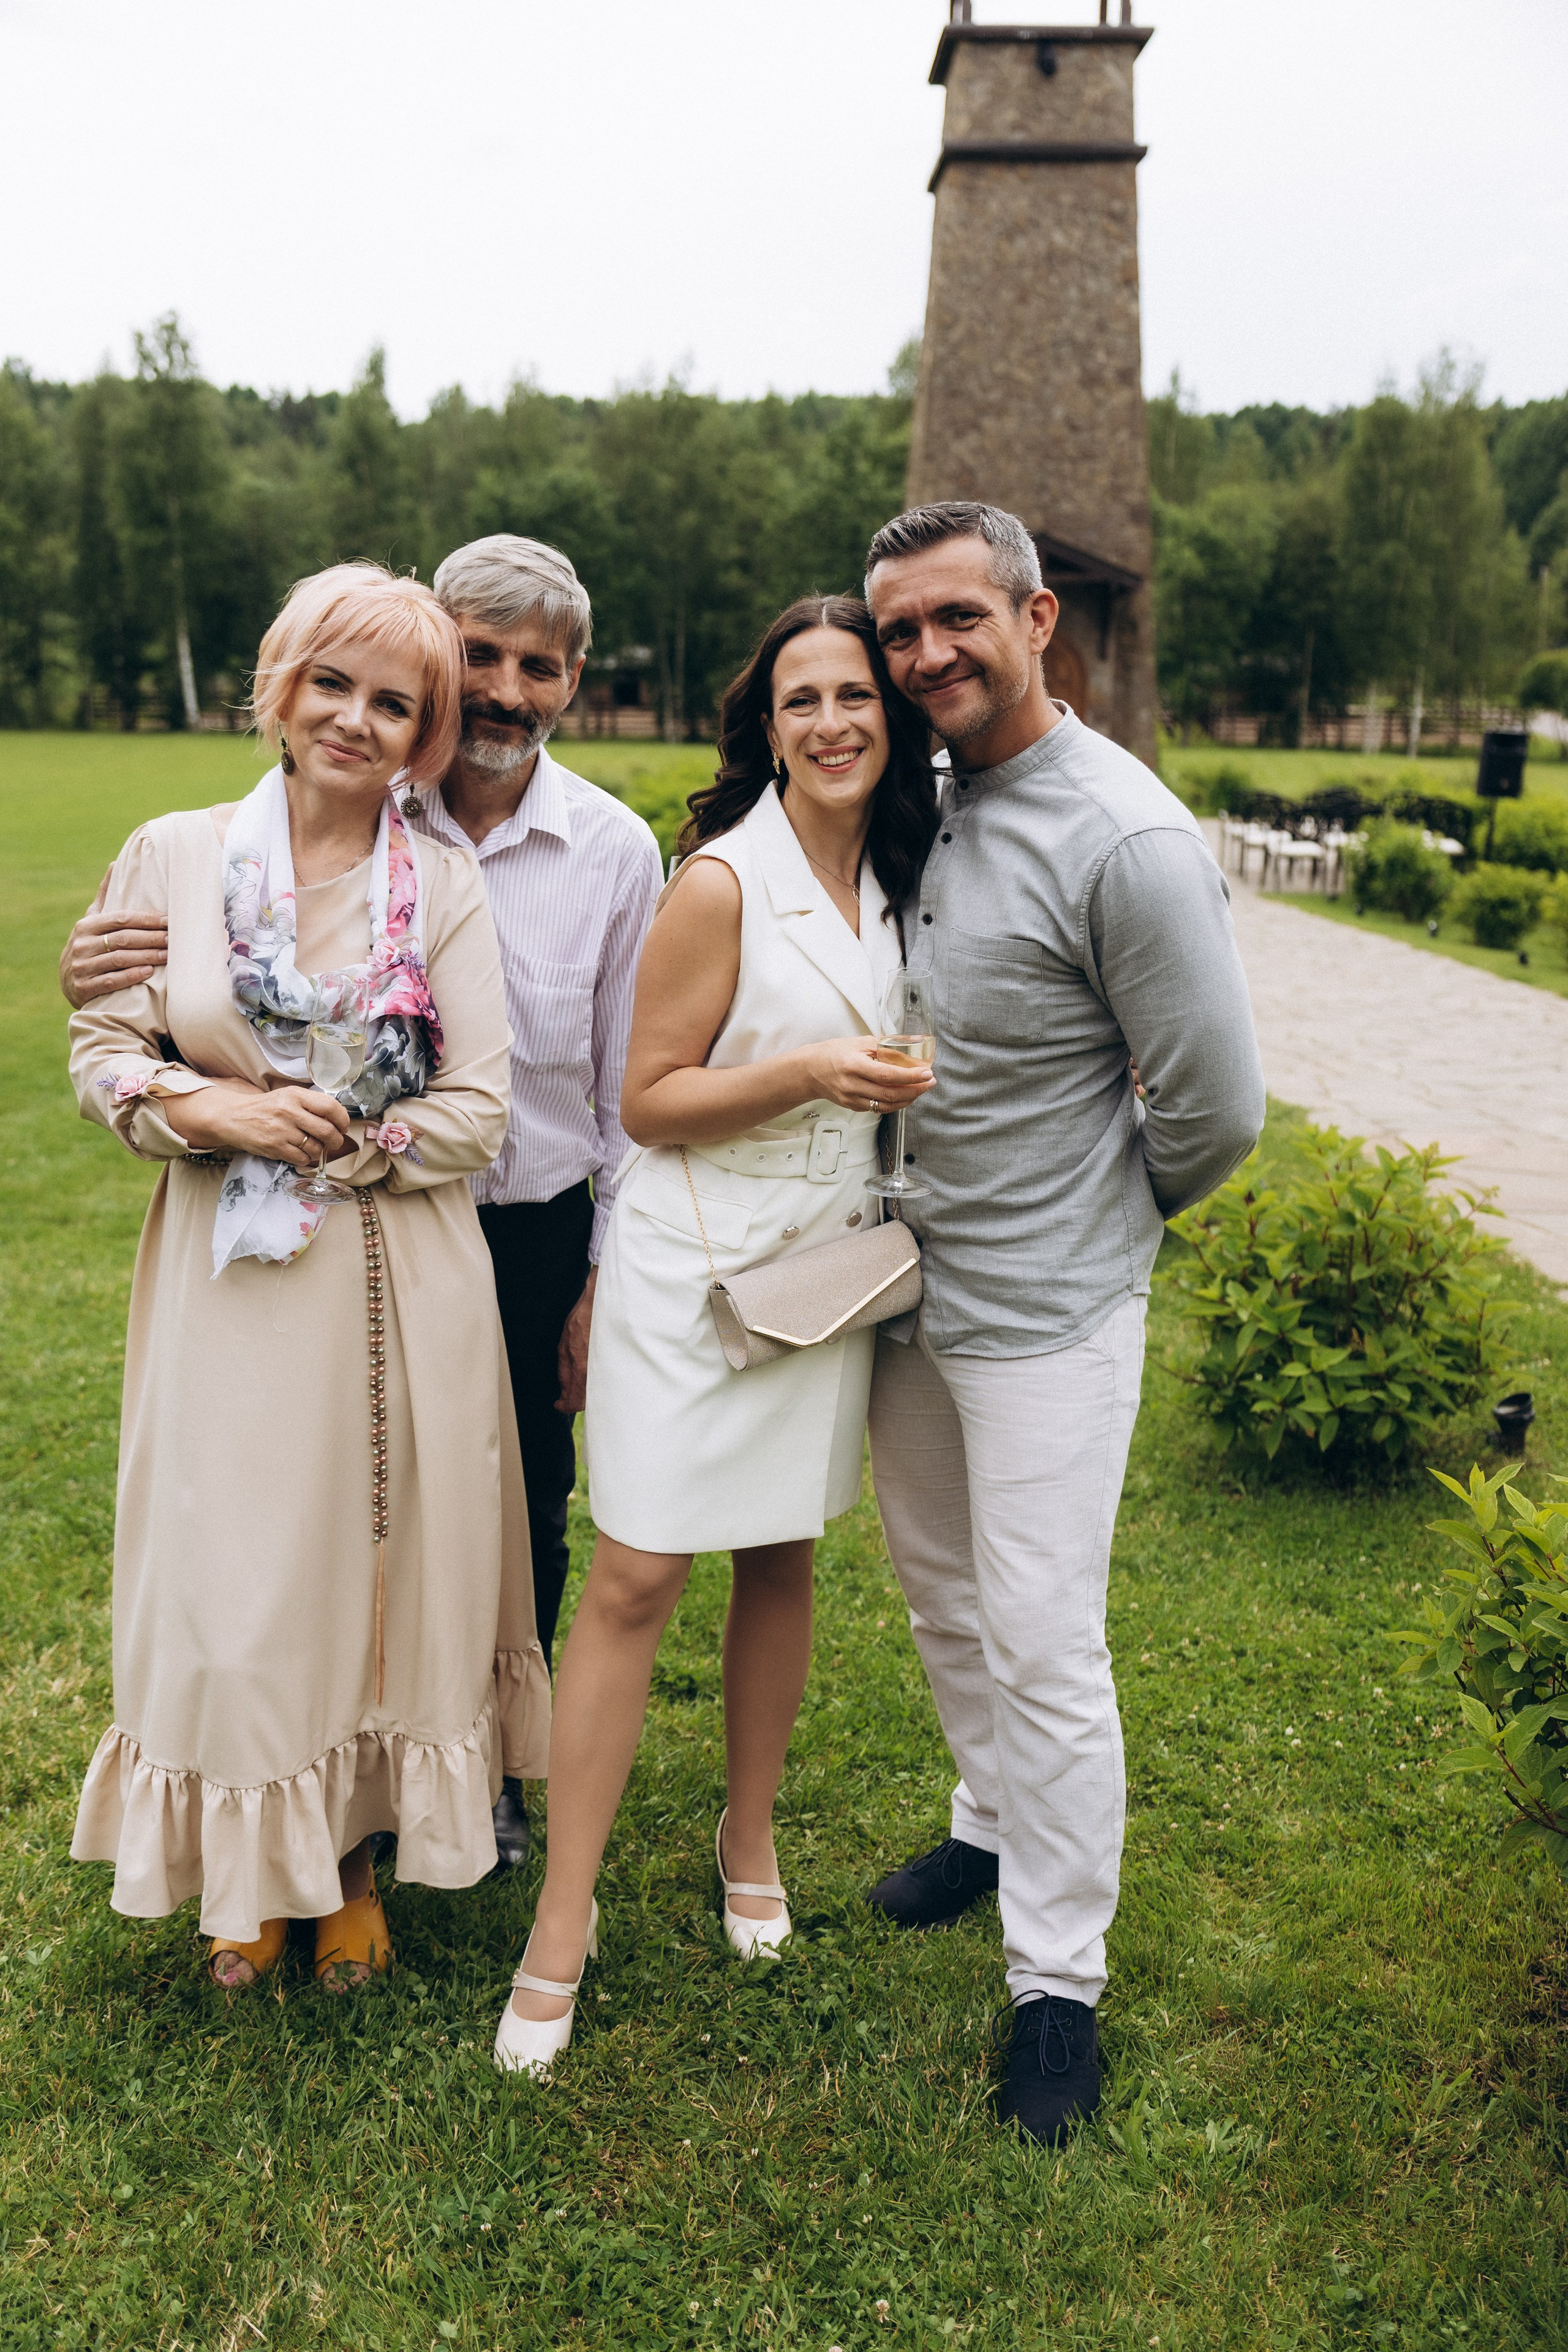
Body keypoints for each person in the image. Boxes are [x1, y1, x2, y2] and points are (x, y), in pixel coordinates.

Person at [60, 534, 665, 1870]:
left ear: (565, 683)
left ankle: (463, 1782)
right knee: (273, 1533)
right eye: (478, 659)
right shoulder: (234, 836)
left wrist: (600, 1279)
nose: (503, 689)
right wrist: (187, 1085)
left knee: (496, 1518)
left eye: (539, 667)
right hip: (275, 1251)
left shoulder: (597, 853)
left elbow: (614, 1088)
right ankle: (275, 1811)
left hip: (511, 1228)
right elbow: (126, 1020)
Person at [859, 502, 1265, 2146]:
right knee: (943, 1595)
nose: (926, 654)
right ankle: (986, 1818)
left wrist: (1106, 1216)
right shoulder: (917, 796)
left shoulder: (1125, 838)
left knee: (1042, 1635)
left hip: (1049, 1314)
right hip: (904, 1293)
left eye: (959, 616)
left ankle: (1056, 1985)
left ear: (1038, 619)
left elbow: (1219, 1106)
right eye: (900, 630)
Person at [492, 594, 938, 2076]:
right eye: (801, 699)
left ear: (891, 717)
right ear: (767, 725)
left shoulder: (909, 872)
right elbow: (648, 1099)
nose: (832, 722)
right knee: (634, 1575)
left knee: (781, 1553)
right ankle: (561, 1919)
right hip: (693, 1272)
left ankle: (749, 1840)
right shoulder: (719, 883)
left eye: (855, 695)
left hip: (826, 1272)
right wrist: (811, 1071)